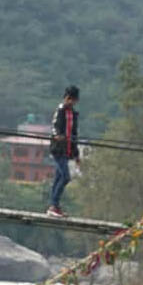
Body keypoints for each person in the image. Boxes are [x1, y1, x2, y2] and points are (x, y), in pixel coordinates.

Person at [46, 86, 80, 218]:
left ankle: (54, 206)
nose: (70, 102)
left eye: (73, 100)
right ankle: (54, 205)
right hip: (58, 149)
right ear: (65, 98)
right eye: (69, 99)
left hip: (68, 150)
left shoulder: (74, 114)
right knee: (65, 177)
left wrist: (76, 154)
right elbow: (54, 126)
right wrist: (57, 136)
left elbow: (74, 134)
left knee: (59, 177)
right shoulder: (60, 111)